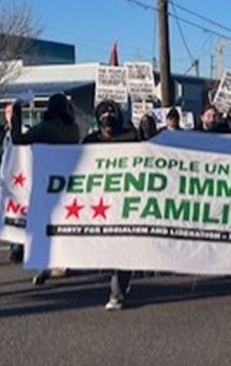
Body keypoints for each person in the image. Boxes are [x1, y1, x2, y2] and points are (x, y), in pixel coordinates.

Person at [11, 94, 81, 286]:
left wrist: (17, 115)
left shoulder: (44, 129)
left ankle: (45, 262)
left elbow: (18, 139)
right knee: (64, 221)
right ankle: (63, 261)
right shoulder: (73, 129)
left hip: (44, 181)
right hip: (67, 180)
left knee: (44, 223)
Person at [83, 100, 141, 310]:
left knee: (122, 246)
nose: (108, 122)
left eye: (111, 117)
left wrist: (147, 134)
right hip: (98, 204)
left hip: (125, 203)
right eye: (104, 118)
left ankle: (117, 292)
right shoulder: (89, 142)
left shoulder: (132, 138)